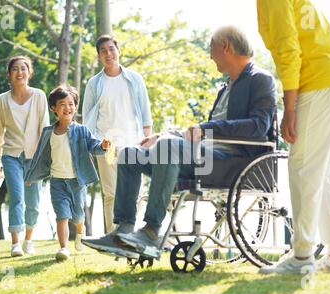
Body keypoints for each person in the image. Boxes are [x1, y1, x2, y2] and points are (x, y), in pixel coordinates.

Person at [82, 26, 277, 258]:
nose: (210, 56)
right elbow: (199, 132)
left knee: (167, 148)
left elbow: (258, 127)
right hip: (205, 155)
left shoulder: (260, 79)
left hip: (232, 162)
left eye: (212, 49)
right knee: (128, 154)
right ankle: (123, 230)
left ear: (225, 47)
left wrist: (204, 130)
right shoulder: (226, 87)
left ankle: (151, 231)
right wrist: (165, 134)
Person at [256, 0, 330, 274]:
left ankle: (301, 257)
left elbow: (289, 51)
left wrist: (289, 108)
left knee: (303, 169)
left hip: (320, 86)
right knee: (324, 176)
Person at [25, 85, 111, 262]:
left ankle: (80, 232)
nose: (67, 108)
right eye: (62, 104)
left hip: (77, 182)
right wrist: (31, 177)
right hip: (57, 182)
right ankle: (63, 248)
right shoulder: (48, 132)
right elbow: (39, 157)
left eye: (71, 104)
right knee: (62, 215)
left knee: (78, 215)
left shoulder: (82, 130)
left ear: (75, 107)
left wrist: (102, 147)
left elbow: (93, 147)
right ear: (53, 108)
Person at [82, 35, 153, 234]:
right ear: (98, 56)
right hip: (106, 144)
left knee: (135, 192)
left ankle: (131, 234)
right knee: (110, 193)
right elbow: (87, 118)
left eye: (111, 49)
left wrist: (148, 139)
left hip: (133, 144)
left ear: (118, 50)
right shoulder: (94, 84)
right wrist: (90, 144)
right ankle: (113, 236)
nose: (108, 54)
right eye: (103, 51)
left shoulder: (134, 79)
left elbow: (145, 111)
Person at [0, 56, 50, 257]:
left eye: (24, 68)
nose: (20, 72)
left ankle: (28, 239)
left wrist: (40, 161)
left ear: (29, 73)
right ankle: (15, 243)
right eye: (15, 69)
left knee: (33, 202)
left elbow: (44, 128)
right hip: (11, 156)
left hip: (34, 157)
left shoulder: (39, 96)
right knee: (17, 197)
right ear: (9, 75)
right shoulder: (2, 100)